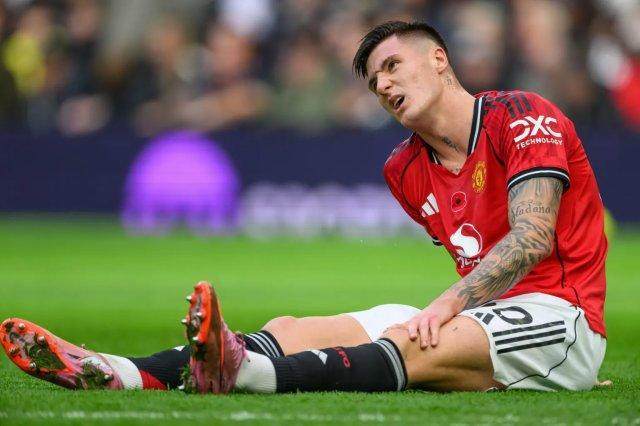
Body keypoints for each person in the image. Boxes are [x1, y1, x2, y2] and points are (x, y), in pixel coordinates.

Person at [1, 21, 607, 393]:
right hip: (484, 318)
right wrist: (452, 313)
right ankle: (118, 371)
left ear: (439, 59)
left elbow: (531, 239)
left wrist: (446, 306)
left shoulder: (521, 116)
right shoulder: (402, 170)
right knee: (291, 329)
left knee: (415, 344)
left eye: (393, 66)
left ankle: (246, 375)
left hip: (563, 316)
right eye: (374, 82)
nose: (384, 86)